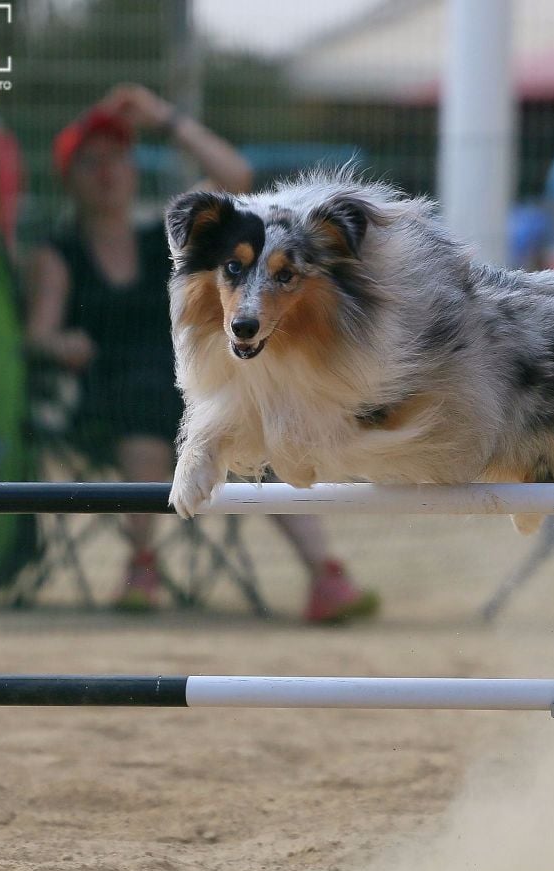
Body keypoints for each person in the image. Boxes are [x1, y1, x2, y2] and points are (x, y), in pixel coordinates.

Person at [25, 84, 378, 620]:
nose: (107, 172)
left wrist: (166, 119)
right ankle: (140, 564)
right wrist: (59, 343)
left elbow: (236, 179)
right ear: (68, 177)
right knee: (147, 420)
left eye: (118, 157)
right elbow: (38, 333)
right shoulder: (60, 253)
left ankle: (324, 574)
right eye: (91, 161)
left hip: (197, 384)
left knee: (258, 424)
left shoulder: (173, 237)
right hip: (111, 393)